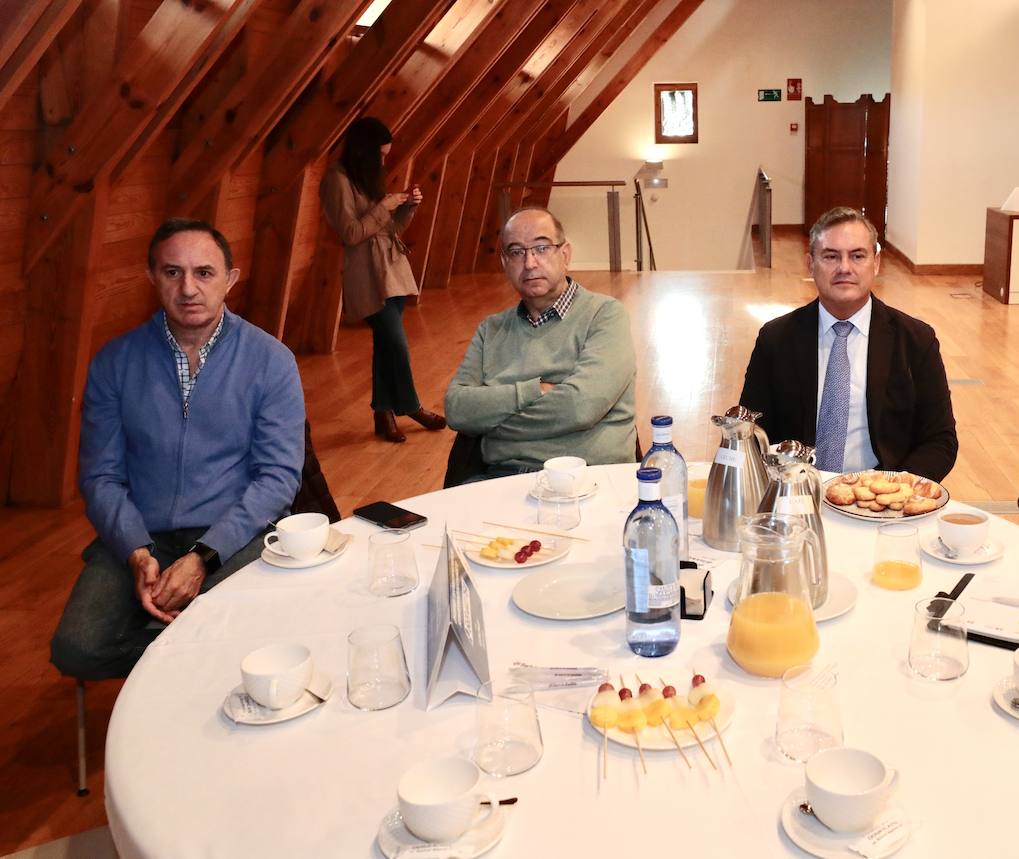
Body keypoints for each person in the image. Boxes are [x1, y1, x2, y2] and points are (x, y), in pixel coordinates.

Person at [50, 219, 305, 679]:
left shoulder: (270, 361)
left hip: (234, 535)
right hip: (143, 535)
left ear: (230, 279)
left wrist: (203, 557)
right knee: (76, 650)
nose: (188, 288)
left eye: (204, 273)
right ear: (152, 278)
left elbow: (277, 478)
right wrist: (135, 552)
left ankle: (180, 662)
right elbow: (100, 476)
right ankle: (182, 660)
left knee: (209, 628)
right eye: (172, 273)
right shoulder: (115, 362)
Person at [738, 206, 958, 480]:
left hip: (882, 499)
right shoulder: (776, 339)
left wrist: (895, 488)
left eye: (857, 256)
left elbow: (940, 440)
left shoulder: (915, 340)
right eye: (831, 256)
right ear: (810, 264)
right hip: (796, 493)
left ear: (875, 263)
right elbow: (751, 433)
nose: (844, 267)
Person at [444, 207, 636, 478]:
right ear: (504, 263)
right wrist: (537, 390)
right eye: (516, 252)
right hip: (501, 478)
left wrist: (490, 423)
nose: (530, 263)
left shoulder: (605, 315)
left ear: (565, 254)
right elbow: (457, 409)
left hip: (591, 477)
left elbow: (579, 407)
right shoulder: (491, 329)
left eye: (542, 248)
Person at [320, 116, 445, 443]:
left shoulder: (365, 176)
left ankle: (383, 412)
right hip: (368, 276)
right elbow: (350, 233)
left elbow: (389, 230)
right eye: (381, 154)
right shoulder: (337, 179)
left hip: (393, 272)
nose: (384, 161)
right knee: (396, 342)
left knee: (386, 345)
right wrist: (384, 205)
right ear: (364, 150)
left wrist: (406, 207)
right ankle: (412, 405)